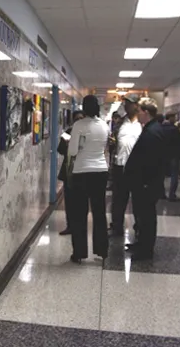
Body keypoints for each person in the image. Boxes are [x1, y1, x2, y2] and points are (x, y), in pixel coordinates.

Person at [67, 95, 110, 263]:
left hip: (82, 172)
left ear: (84, 108)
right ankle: (102, 251)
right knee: (99, 212)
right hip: (100, 171)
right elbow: (103, 147)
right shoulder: (104, 126)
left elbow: (72, 152)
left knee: (79, 213)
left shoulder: (78, 125)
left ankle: (79, 253)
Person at [124, 97, 167, 260]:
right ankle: (141, 243)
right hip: (143, 183)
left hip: (147, 184)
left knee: (147, 217)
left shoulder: (153, 132)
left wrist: (145, 183)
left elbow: (151, 161)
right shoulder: (151, 129)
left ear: (146, 113)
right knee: (141, 216)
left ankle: (146, 250)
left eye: (140, 111)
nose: (138, 115)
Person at [110, 94, 142, 236]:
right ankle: (116, 226)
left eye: (130, 103)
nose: (127, 106)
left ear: (137, 105)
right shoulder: (120, 123)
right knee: (118, 200)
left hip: (136, 168)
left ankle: (139, 227)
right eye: (126, 103)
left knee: (138, 201)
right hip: (119, 166)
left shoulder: (142, 123)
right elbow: (113, 141)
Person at [57, 110, 85, 235]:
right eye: (76, 119)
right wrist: (67, 144)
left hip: (83, 171)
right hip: (69, 170)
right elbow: (60, 149)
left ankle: (80, 226)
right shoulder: (68, 132)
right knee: (69, 201)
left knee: (81, 201)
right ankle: (70, 226)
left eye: (81, 118)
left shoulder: (87, 134)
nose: (78, 121)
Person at [162, 113, 180, 201]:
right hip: (173, 155)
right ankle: (172, 194)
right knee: (174, 175)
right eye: (174, 117)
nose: (175, 119)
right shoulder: (174, 129)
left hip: (163, 155)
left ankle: (162, 193)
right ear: (170, 118)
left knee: (162, 175)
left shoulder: (161, 128)